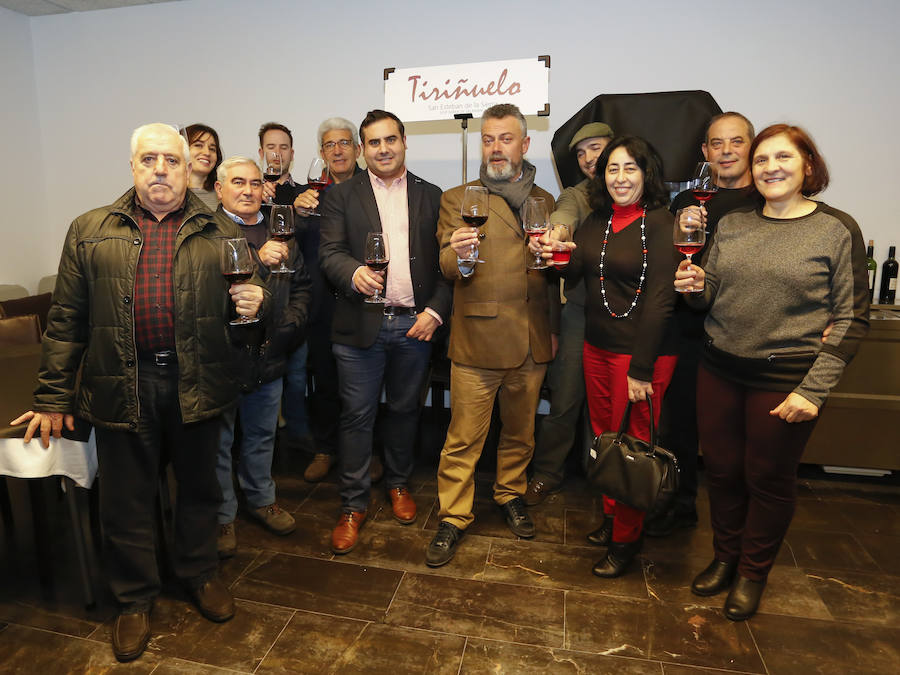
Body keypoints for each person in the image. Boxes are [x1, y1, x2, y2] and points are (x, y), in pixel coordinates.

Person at [11, 123, 265, 662]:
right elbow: (65, 321)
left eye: (170, 160)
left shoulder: (220, 231)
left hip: (197, 381)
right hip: (121, 383)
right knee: (125, 501)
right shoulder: (89, 230)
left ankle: (198, 574)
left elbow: (243, 323)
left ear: (187, 168)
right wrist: (53, 398)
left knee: (199, 490)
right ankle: (132, 598)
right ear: (132, 167)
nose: (160, 170)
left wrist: (252, 309)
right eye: (148, 160)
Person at [675, 124, 869, 620]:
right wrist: (694, 285)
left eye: (783, 157)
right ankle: (724, 557)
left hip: (785, 378)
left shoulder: (835, 228)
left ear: (808, 164)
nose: (770, 168)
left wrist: (815, 392)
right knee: (720, 473)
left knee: (767, 478)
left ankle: (752, 572)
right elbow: (708, 296)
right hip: (719, 368)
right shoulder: (735, 224)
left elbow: (851, 318)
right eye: (761, 160)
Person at [426, 103, 557, 567]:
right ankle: (453, 517)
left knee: (521, 435)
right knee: (463, 439)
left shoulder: (546, 199)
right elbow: (446, 265)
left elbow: (555, 268)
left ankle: (510, 494)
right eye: (488, 139)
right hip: (479, 341)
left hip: (531, 341)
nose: (495, 147)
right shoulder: (458, 197)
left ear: (525, 144)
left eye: (505, 138)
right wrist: (461, 255)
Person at [319, 110, 450, 555]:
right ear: (362, 149)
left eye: (390, 139)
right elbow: (329, 252)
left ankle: (397, 484)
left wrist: (435, 310)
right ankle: (353, 505)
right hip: (359, 326)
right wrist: (352, 271)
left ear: (404, 141)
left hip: (415, 324)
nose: (383, 149)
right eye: (373, 143)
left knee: (404, 411)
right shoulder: (341, 196)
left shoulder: (432, 196)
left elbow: (446, 265)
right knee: (356, 416)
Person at [556, 135, 679, 578]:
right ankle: (613, 519)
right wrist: (556, 255)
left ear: (647, 174)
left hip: (642, 356)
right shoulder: (597, 221)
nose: (620, 177)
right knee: (604, 437)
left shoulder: (664, 223)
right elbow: (577, 270)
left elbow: (663, 301)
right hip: (596, 347)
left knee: (632, 448)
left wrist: (642, 369)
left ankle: (627, 540)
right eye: (612, 169)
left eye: (630, 168)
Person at [647, 112, 759, 537]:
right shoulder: (685, 204)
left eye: (736, 142)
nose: (726, 151)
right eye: (717, 144)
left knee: (733, 437)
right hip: (687, 331)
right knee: (678, 426)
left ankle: (737, 526)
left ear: (751, 146)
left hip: (737, 332)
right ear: (704, 152)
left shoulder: (763, 201)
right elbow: (671, 264)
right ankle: (680, 504)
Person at [214, 156, 311, 558]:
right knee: (218, 442)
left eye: (255, 183)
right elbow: (201, 294)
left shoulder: (281, 229)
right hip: (221, 356)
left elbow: (302, 287)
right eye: (238, 182)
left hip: (270, 352)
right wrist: (257, 262)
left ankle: (260, 499)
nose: (249, 190)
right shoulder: (204, 233)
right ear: (219, 189)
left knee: (260, 435)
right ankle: (221, 517)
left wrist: (289, 327)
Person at [525, 122, 614, 505]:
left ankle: (607, 477)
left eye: (596, 148)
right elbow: (563, 215)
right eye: (581, 153)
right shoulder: (578, 195)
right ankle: (548, 473)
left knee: (614, 403)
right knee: (565, 397)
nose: (589, 158)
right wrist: (556, 234)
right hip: (580, 310)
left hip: (629, 315)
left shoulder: (641, 193)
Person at [288, 117, 368, 483]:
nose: (337, 150)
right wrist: (298, 216)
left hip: (362, 300)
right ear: (321, 153)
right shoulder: (309, 195)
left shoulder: (373, 189)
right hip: (322, 304)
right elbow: (294, 248)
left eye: (344, 143)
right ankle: (326, 448)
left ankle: (367, 452)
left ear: (357, 149)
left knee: (364, 386)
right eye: (330, 145)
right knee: (324, 381)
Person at [259, 121, 304, 206]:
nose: (278, 153)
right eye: (271, 147)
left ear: (291, 154)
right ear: (261, 153)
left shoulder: (305, 195)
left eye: (283, 147)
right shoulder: (250, 193)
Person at [183, 123, 223, 211]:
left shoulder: (224, 195)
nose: (207, 153)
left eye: (212, 149)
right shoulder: (169, 195)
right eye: (198, 145)